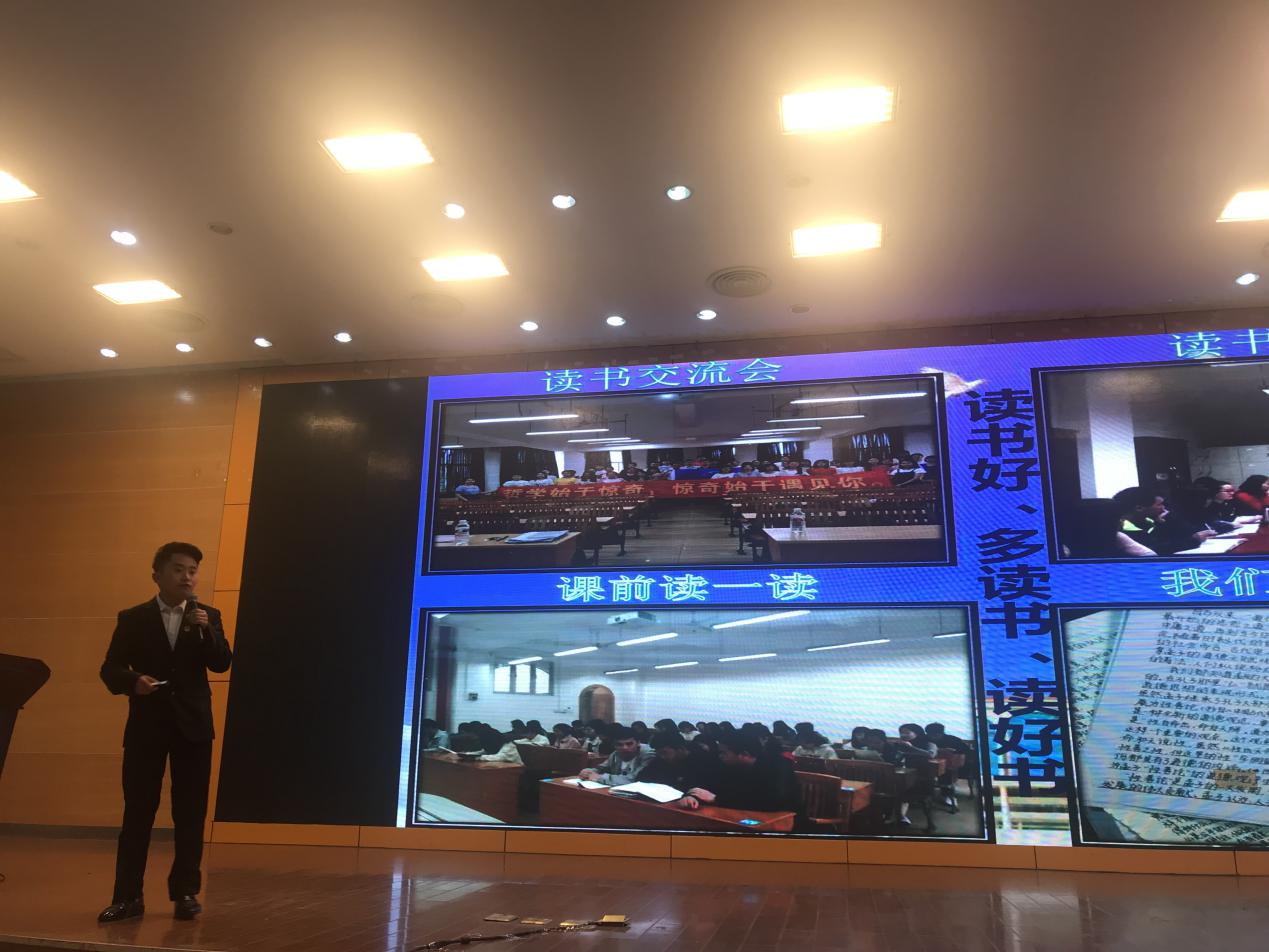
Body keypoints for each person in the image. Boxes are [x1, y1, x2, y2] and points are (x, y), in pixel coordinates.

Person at [97, 542, 233, 924]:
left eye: (192, 570)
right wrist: (133, 681)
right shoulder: (133, 618)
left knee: (190, 813)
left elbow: (222, 663)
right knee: (138, 812)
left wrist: (208, 633)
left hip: (193, 728)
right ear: (157, 574)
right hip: (147, 727)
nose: (187, 577)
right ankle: (127, 897)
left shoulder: (209, 616)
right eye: (178, 569)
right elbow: (110, 668)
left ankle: (185, 893)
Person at [678, 734, 800, 813]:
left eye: (724, 753)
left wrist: (717, 799)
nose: (720, 756)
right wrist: (692, 797)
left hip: (784, 821)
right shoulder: (729, 765)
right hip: (738, 815)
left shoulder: (778, 765)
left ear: (744, 754)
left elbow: (772, 802)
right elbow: (706, 786)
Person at [1062, 498, 1156, 557]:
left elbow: (1150, 556)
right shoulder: (1064, 544)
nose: (1121, 521)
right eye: (1116, 518)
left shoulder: (1117, 537)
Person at [889, 724, 938, 827]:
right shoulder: (901, 745)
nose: (903, 735)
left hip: (922, 779)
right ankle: (898, 818)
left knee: (899, 793)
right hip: (903, 776)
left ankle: (899, 817)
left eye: (907, 732)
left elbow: (930, 754)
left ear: (917, 733)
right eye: (901, 733)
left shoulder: (929, 743)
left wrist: (911, 747)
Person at [637, 730, 716, 790]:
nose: (661, 757)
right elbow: (641, 778)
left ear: (681, 749)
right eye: (658, 753)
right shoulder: (660, 760)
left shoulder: (702, 761)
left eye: (664, 753)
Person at [578, 727, 653, 785]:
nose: (625, 747)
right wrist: (589, 771)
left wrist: (599, 777)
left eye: (629, 744)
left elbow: (634, 780)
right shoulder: (615, 754)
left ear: (638, 743)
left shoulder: (648, 754)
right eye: (619, 744)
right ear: (614, 745)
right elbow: (601, 768)